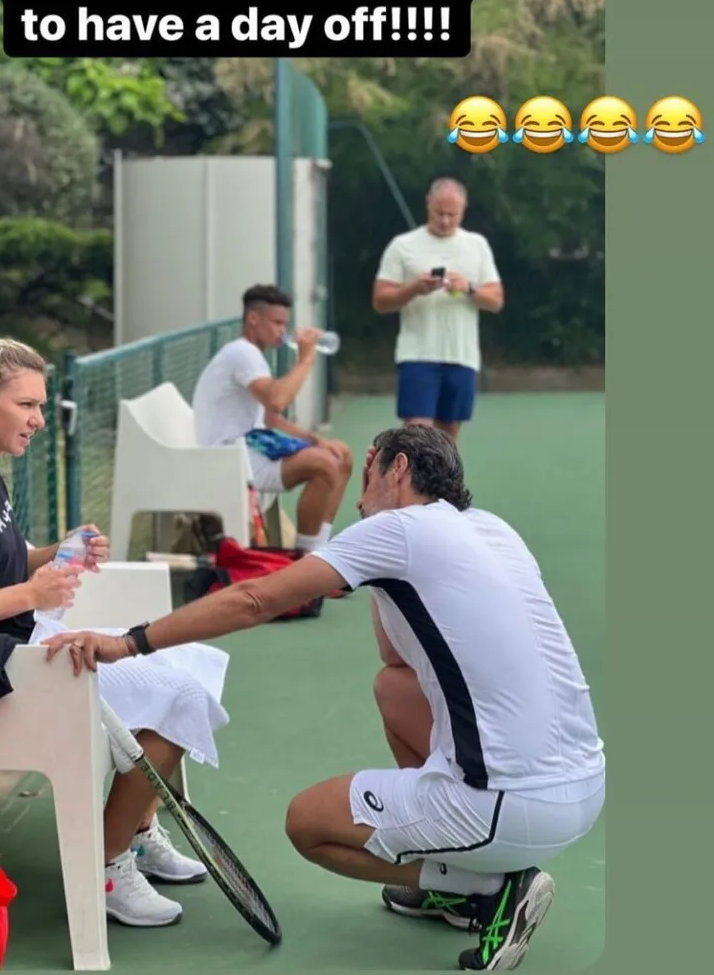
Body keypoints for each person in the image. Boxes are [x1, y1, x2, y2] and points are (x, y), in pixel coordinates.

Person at [43, 426, 604, 972]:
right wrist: (370, 571)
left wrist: (127, 643)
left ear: (399, 469)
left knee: (308, 822)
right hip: (584, 788)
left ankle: (486, 888)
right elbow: (395, 659)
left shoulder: (400, 529)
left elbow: (254, 599)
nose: (359, 499)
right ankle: (457, 882)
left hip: (510, 806)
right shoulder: (492, 528)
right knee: (393, 689)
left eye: (368, 476)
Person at [0, 313, 232, 930]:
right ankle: (108, 865)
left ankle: (137, 829)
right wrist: (32, 590)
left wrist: (57, 552)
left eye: (41, 406)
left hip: (28, 639)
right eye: (26, 405)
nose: (39, 420)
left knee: (192, 663)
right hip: (3, 666)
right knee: (180, 695)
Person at [192, 283, 353, 553]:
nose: (283, 331)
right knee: (325, 465)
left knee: (341, 455)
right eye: (277, 323)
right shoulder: (242, 352)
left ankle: (321, 551)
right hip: (228, 457)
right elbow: (277, 400)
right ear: (253, 319)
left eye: (285, 324)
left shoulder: (252, 355)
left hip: (251, 448)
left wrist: (316, 440)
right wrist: (305, 360)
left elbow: (271, 419)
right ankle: (305, 559)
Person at [372, 179, 504, 442]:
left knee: (447, 437)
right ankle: (409, 471)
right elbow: (380, 300)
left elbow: (496, 300)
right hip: (417, 353)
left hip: (461, 355)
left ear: (463, 210)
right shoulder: (403, 245)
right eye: (439, 213)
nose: (445, 221)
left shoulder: (477, 245)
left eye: (452, 215)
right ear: (428, 205)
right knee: (416, 432)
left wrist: (468, 288)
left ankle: (442, 472)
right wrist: (415, 289)